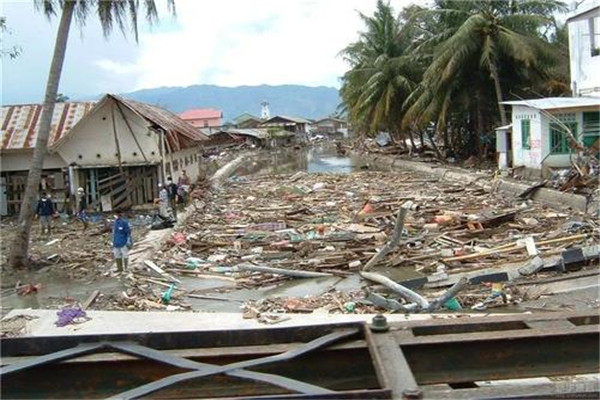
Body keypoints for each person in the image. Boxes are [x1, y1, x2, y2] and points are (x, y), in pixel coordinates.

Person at [112, 209, 131, 273]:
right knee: (117, 255)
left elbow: (128, 232)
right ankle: (119, 268)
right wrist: (113, 241)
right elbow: (114, 233)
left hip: (123, 241)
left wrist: (128, 240)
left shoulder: (124, 223)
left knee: (125, 255)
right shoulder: (115, 223)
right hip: (116, 242)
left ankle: (126, 268)